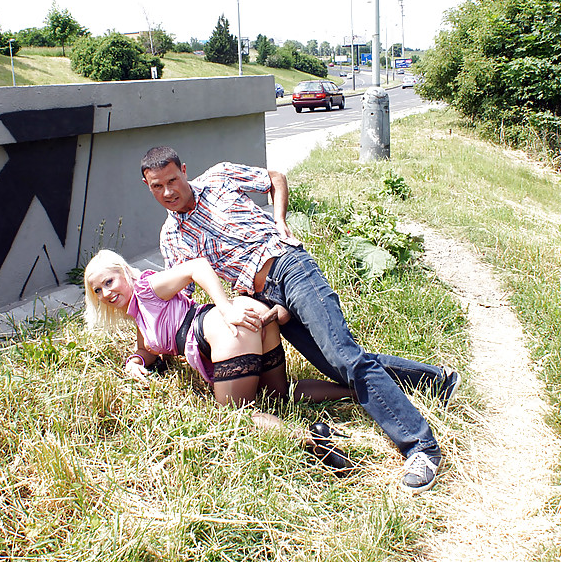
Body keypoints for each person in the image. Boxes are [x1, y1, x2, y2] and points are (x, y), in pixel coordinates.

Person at [140, 145, 461, 494]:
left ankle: (421, 447)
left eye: (172, 180)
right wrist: (142, 354)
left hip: (289, 267)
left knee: (342, 354)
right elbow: (178, 304)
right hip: (261, 298)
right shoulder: (171, 238)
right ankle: (436, 380)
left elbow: (275, 178)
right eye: (157, 186)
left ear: (184, 170)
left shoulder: (218, 177)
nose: (168, 192)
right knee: (334, 364)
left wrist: (280, 221)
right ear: (148, 186)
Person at [82, 249, 354, 472]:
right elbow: (148, 349)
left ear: (125, 273)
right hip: (249, 315)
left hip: (224, 326)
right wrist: (134, 361)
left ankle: (313, 440)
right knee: (278, 393)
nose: (106, 293)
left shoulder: (147, 289)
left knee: (236, 415)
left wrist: (225, 309)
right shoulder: (139, 311)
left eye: (109, 282)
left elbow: (197, 266)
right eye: (97, 290)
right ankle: (357, 391)